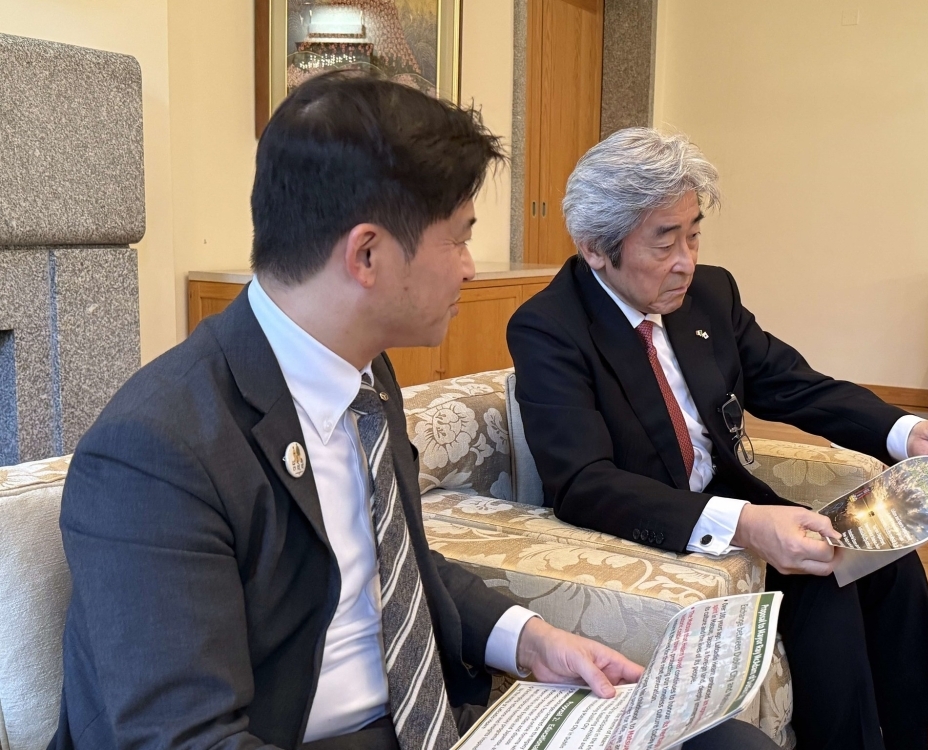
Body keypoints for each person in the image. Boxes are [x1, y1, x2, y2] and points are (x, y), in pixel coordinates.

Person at [49, 78, 777, 750]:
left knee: (727, 744)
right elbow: (184, 740)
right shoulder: (157, 451)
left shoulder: (364, 378)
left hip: (426, 720)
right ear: (367, 255)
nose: (470, 265)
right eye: (458, 236)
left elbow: (392, 566)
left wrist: (531, 639)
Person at [506, 127, 928, 750]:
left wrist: (908, 431)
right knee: (823, 584)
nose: (686, 261)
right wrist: (746, 525)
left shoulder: (708, 294)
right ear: (596, 248)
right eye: (664, 242)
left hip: (729, 499)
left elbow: (794, 385)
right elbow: (584, 483)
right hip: (655, 524)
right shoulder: (550, 327)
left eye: (694, 234)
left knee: (886, 560)